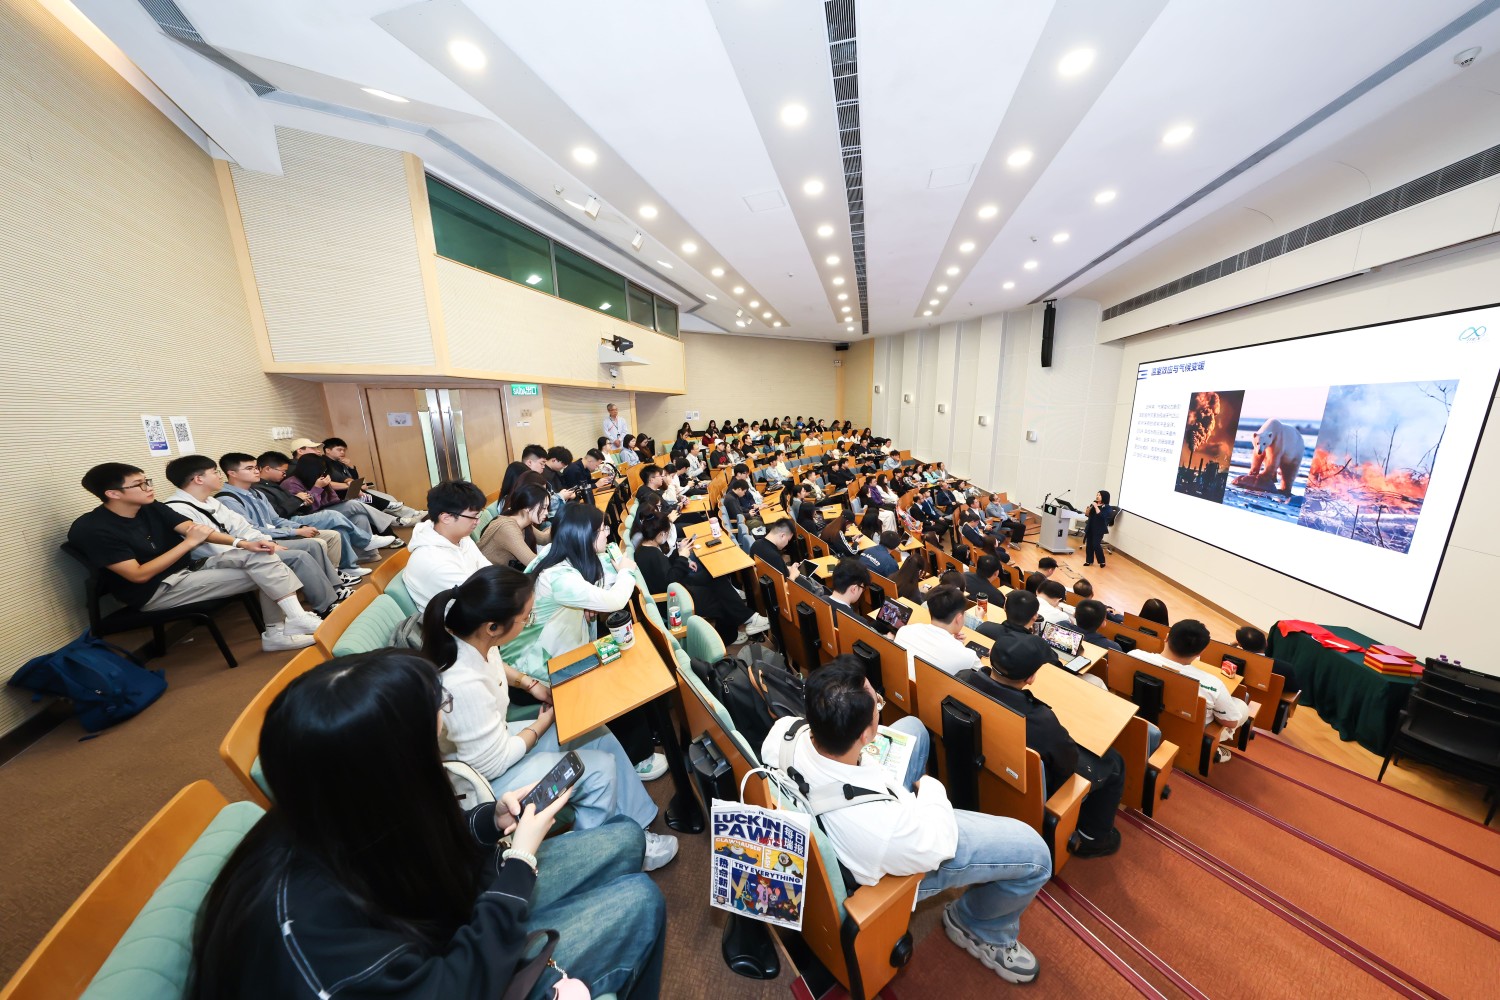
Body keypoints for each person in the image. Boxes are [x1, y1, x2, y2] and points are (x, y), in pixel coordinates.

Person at [186, 650, 666, 1000]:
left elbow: (411, 850)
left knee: (626, 839)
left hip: (438, 930)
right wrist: (519, 861)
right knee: (640, 901)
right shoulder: (314, 940)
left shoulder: (331, 805)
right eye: (432, 739)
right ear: (394, 767)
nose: (441, 741)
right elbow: (453, 986)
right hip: (450, 973)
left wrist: (489, 821)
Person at [763, 658, 1050, 984]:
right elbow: (940, 842)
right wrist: (931, 788)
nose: (879, 705)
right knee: (1036, 854)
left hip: (847, 804)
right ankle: (977, 927)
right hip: (889, 850)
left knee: (914, 728)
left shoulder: (784, 731)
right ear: (865, 734)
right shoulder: (886, 831)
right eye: (877, 704)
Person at [423, 566, 677, 870]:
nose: (529, 621)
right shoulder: (463, 685)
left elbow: (495, 664)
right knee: (598, 770)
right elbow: (494, 764)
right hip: (487, 782)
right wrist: (543, 723)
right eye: (526, 618)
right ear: (493, 627)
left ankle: (637, 826)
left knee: (596, 733)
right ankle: (602, 858)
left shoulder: (471, 639)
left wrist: (528, 683)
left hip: (496, 742)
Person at [69, 463, 319, 652]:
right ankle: (279, 632)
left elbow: (193, 529)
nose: (149, 487)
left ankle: (292, 621)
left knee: (262, 556)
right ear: (113, 494)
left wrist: (243, 543)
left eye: (147, 481)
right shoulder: (94, 529)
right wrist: (188, 544)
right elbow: (138, 575)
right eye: (140, 484)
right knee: (267, 572)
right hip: (156, 590)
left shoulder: (150, 506)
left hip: (189, 569)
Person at [504, 505, 665, 779]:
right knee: (617, 681)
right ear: (584, 536)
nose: (607, 534)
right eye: (602, 529)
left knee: (620, 662)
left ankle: (647, 736)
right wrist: (626, 570)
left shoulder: (554, 554)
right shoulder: (558, 577)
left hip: (554, 654)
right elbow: (615, 599)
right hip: (535, 671)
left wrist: (587, 602)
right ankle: (639, 758)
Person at [960, 636, 1124, 858]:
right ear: (1030, 679)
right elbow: (1067, 764)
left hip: (977, 769)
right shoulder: (1040, 722)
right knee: (1113, 762)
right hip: (1029, 787)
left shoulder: (962, 678)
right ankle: (1092, 837)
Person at [163, 455, 350, 616]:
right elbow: (210, 546)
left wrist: (265, 541)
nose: (220, 475)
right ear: (198, 479)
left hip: (245, 547)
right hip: (217, 556)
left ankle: (333, 591)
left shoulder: (211, 500)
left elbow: (243, 527)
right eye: (215, 472)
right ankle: (325, 606)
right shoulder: (177, 508)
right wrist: (257, 546)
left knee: (312, 544)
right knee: (299, 556)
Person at [218, 452, 364, 580]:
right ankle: (333, 578)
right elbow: (254, 530)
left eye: (256, 467)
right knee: (322, 536)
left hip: (280, 530)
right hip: (261, 540)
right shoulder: (228, 499)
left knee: (336, 532)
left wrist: (301, 527)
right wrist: (296, 531)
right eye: (250, 468)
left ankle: (335, 574)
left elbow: (276, 519)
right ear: (232, 473)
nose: (257, 471)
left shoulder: (256, 493)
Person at [635, 513, 768, 644]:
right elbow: (670, 582)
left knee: (716, 577)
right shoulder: (652, 555)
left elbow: (666, 570)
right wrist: (682, 558)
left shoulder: (644, 549)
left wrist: (679, 554)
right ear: (661, 534)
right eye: (667, 533)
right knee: (720, 598)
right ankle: (729, 636)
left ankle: (749, 618)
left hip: (677, 589)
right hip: (674, 600)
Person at [1129, 619, 1249, 762]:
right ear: (1200, 652)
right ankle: (1210, 747)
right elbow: (1231, 722)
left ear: (1166, 637)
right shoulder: (1213, 684)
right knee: (1241, 706)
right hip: (1184, 736)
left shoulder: (1133, 656)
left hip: (1136, 721)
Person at [260, 451, 395, 555]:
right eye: (283, 471)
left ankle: (368, 554)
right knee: (350, 507)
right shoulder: (290, 483)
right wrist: (317, 488)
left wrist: (328, 488)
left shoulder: (317, 479)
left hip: (325, 509)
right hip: (309, 515)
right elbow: (308, 508)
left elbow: (333, 500)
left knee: (359, 515)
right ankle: (388, 523)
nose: (323, 473)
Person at [405, 480, 492, 614]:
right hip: (459, 622)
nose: (478, 521)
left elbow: (489, 571)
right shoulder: (432, 561)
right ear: (446, 518)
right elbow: (477, 600)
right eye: (474, 516)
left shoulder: (462, 538)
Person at [320, 437, 422, 522]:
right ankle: (400, 516)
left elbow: (354, 479)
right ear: (328, 450)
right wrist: (353, 484)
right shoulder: (324, 462)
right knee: (372, 501)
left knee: (385, 498)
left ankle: (408, 514)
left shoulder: (339, 462)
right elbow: (340, 478)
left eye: (344, 450)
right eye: (339, 450)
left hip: (352, 491)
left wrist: (350, 467)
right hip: (342, 495)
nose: (342, 452)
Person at [894, 585, 981, 679]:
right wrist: (956, 645)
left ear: (929, 610)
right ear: (959, 618)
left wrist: (954, 642)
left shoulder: (904, 631)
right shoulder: (967, 656)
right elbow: (987, 677)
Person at [479, 481, 552, 570]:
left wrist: (563, 525)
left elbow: (544, 539)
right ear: (527, 507)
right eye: (543, 507)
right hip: (487, 575)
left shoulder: (523, 522)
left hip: (499, 573)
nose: (546, 512)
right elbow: (533, 563)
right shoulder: (507, 528)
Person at [1233, 625, 1304, 694]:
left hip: (1239, 694)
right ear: (1266, 643)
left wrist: (1232, 644)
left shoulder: (1234, 659)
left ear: (1240, 644)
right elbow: (1294, 690)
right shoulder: (1285, 668)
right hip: (1270, 701)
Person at [1083, 490, 1115, 568]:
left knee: (1096, 544)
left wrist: (1096, 507)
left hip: (1099, 528)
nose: (1097, 496)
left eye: (1099, 495)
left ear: (1104, 497)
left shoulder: (1107, 507)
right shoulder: (1094, 504)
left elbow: (1101, 516)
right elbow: (1087, 515)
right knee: (1089, 544)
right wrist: (1088, 510)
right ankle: (1089, 561)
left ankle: (1102, 561)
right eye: (1097, 495)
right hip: (1091, 526)